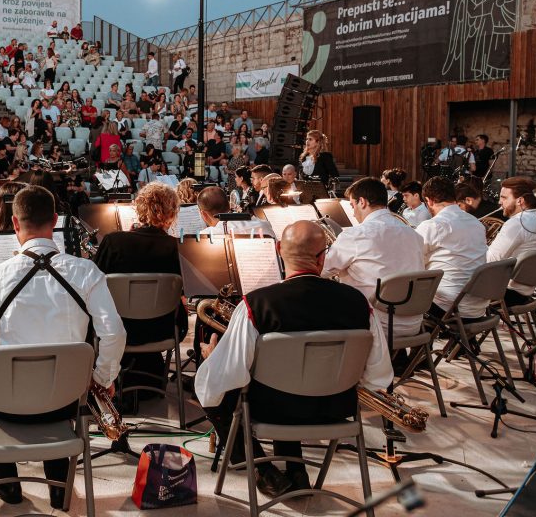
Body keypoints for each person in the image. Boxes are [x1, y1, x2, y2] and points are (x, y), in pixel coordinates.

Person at [195, 220, 392, 499]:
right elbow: (379, 376)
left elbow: (226, 377)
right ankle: (296, 471)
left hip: (271, 411)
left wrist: (212, 358)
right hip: (336, 409)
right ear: (323, 256)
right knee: (285, 382)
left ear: (278, 250)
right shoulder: (361, 303)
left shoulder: (255, 304)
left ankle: (263, 470)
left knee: (212, 383)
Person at [0, 185, 126, 508]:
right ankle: (60, 487)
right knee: (59, 387)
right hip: (68, 401)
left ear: (15, 224)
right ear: (55, 220)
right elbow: (113, 334)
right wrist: (102, 378)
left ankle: (8, 480)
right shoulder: (86, 272)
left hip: (10, 404)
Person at [92, 182, 187, 408]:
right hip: (163, 329)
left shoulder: (115, 241)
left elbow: (95, 286)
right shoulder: (178, 248)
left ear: (140, 207)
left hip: (119, 328)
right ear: (173, 212)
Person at [322, 178, 426, 370]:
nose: (353, 212)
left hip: (377, 324)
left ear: (362, 202)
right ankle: (396, 358)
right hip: (412, 324)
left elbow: (321, 270)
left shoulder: (355, 235)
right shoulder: (414, 234)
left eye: (353, 205)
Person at [416, 176, 488, 321]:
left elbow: (411, 261)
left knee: (395, 302)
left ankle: (421, 343)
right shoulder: (477, 223)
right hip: (479, 305)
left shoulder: (434, 225)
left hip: (449, 306)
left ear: (429, 200)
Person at [490, 177, 536, 306]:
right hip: (525, 293)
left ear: (520, 200)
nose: (500, 202)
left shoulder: (515, 224)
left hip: (502, 294)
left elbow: (491, 261)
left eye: (504, 198)